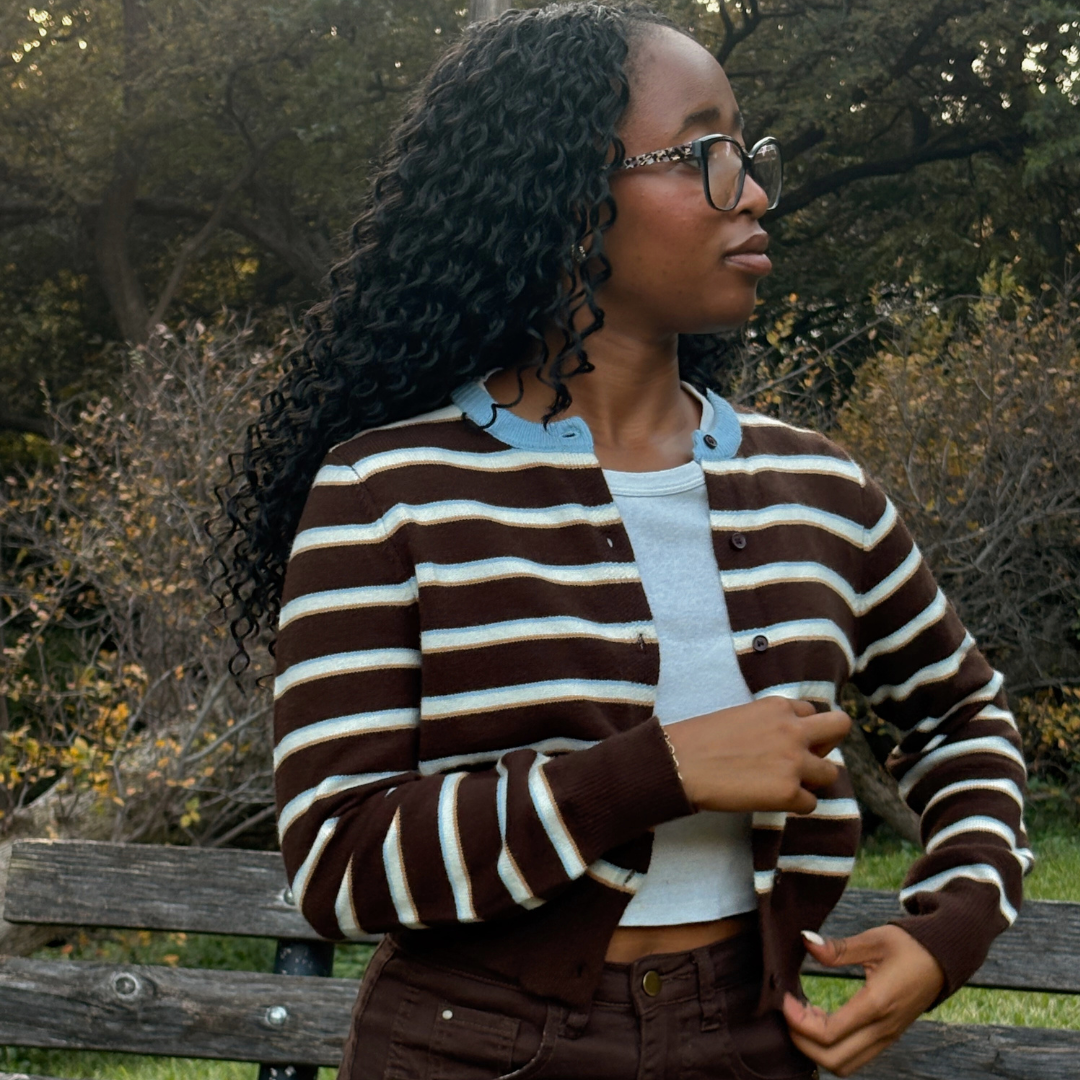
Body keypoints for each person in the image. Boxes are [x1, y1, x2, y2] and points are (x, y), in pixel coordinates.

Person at [215, 4, 1031, 1077]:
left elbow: (963, 717)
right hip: (474, 1048)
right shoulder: (387, 491)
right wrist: (662, 771)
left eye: (749, 156)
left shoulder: (818, 488)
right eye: (706, 154)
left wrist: (955, 923)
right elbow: (338, 862)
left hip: (761, 1041)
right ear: (561, 196)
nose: (751, 192)